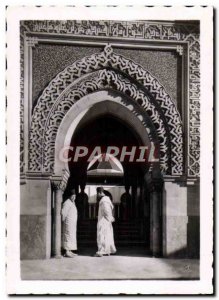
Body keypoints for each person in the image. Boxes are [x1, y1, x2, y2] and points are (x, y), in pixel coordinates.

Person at [95, 187, 116, 257]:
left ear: (100, 193)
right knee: (107, 236)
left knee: (102, 236)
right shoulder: (107, 199)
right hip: (105, 220)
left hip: (104, 221)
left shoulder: (104, 200)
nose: (97, 195)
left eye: (97, 193)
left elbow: (107, 211)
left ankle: (102, 251)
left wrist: (110, 218)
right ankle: (107, 251)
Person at [61, 189, 78, 258]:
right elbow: (63, 213)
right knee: (67, 236)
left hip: (72, 224)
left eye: (75, 196)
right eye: (72, 196)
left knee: (71, 237)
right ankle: (67, 252)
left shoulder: (72, 203)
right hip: (68, 223)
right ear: (70, 196)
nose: (74, 197)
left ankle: (70, 250)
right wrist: (63, 221)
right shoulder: (67, 203)